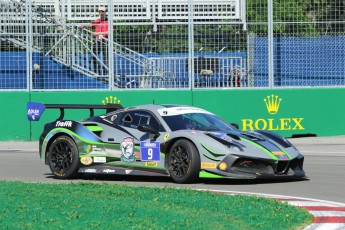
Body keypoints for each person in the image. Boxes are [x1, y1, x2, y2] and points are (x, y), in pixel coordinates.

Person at [81, 6, 111, 75]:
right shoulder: (97, 21)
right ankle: (97, 72)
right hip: (98, 42)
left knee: (106, 59)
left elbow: (110, 32)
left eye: (102, 11)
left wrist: (98, 33)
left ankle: (107, 75)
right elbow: (91, 25)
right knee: (94, 56)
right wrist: (83, 26)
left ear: (105, 12)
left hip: (106, 42)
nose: (101, 13)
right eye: (100, 11)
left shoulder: (108, 21)